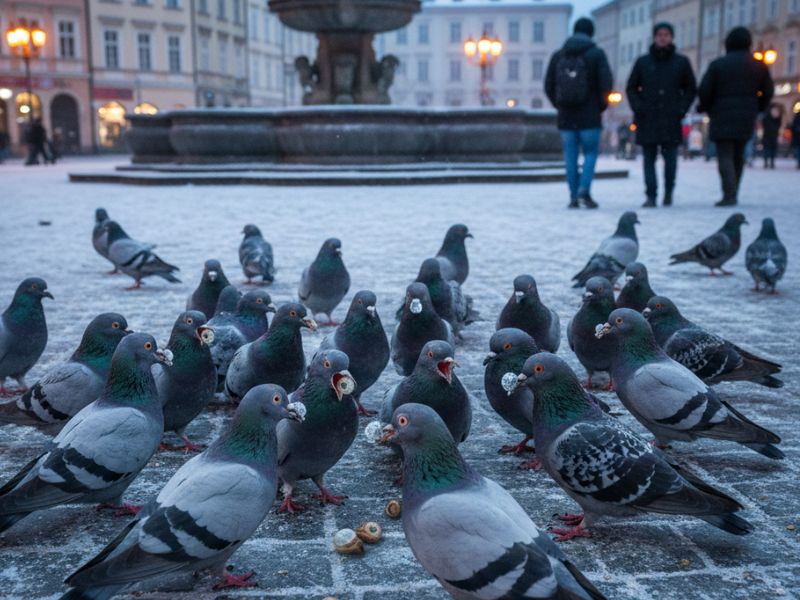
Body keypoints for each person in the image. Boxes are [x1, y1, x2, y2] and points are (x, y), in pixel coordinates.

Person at [697, 26, 773, 206]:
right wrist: (758, 107)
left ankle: (728, 193)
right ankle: (734, 191)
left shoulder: (718, 64)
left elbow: (705, 90)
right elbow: (768, 91)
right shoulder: (758, 66)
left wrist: (707, 107)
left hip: (721, 114)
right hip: (747, 115)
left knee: (724, 154)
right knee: (739, 155)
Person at [626, 22, 697, 208]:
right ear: (655, 37)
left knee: (671, 160)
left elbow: (691, 88)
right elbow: (631, 87)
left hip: (671, 118)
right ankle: (651, 195)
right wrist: (638, 107)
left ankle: (668, 193)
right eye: (659, 34)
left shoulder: (681, 62)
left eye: (666, 34)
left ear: (671, 37)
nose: (663, 37)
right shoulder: (643, 62)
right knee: (648, 160)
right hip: (647, 117)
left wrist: (681, 108)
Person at [545, 17, 613, 209]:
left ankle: (573, 196)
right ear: (591, 33)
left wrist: (560, 105)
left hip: (566, 116)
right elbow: (606, 84)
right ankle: (584, 189)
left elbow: (548, 85)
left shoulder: (558, 55)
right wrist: (599, 106)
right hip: (590, 116)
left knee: (570, 157)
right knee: (591, 153)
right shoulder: (597, 54)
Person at [761, 104, 782, 169]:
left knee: (773, 150)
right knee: (766, 150)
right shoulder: (766, 117)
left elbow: (779, 127)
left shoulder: (778, 119)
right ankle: (766, 162)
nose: (775, 112)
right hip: (767, 136)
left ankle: (772, 162)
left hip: (774, 136)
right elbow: (764, 124)